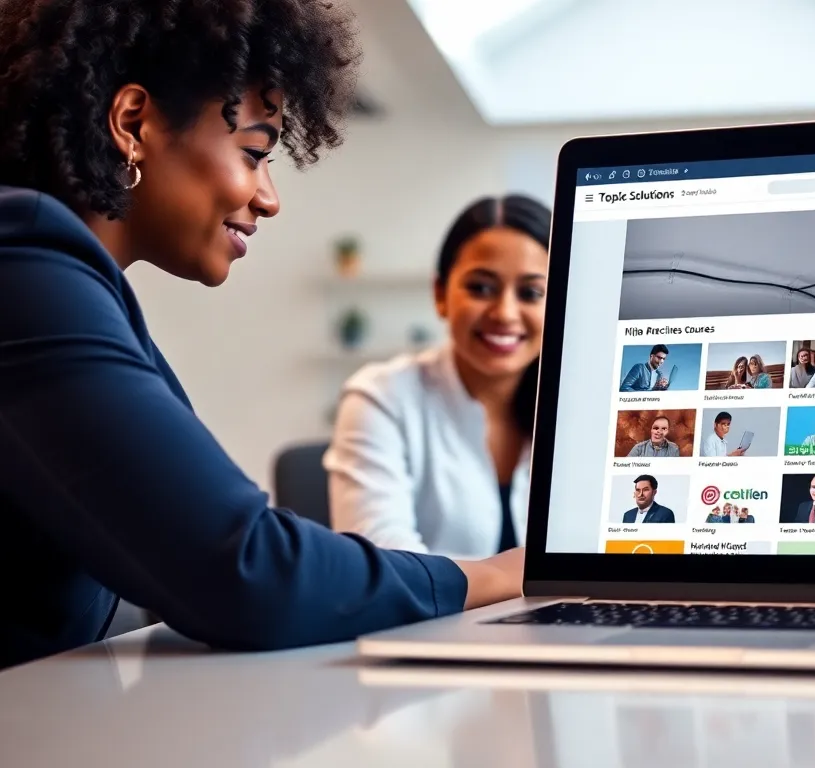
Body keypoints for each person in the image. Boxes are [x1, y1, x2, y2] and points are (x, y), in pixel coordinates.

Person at [0, 0, 520, 671]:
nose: (269, 196)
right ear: (133, 123)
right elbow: (244, 567)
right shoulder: (23, 268)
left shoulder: (65, 280)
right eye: (254, 153)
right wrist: (499, 577)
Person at [324, 194, 549, 557]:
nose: (505, 313)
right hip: (430, 617)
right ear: (440, 294)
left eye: (531, 293)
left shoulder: (584, 407)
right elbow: (386, 564)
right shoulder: (380, 396)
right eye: (481, 287)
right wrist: (521, 577)